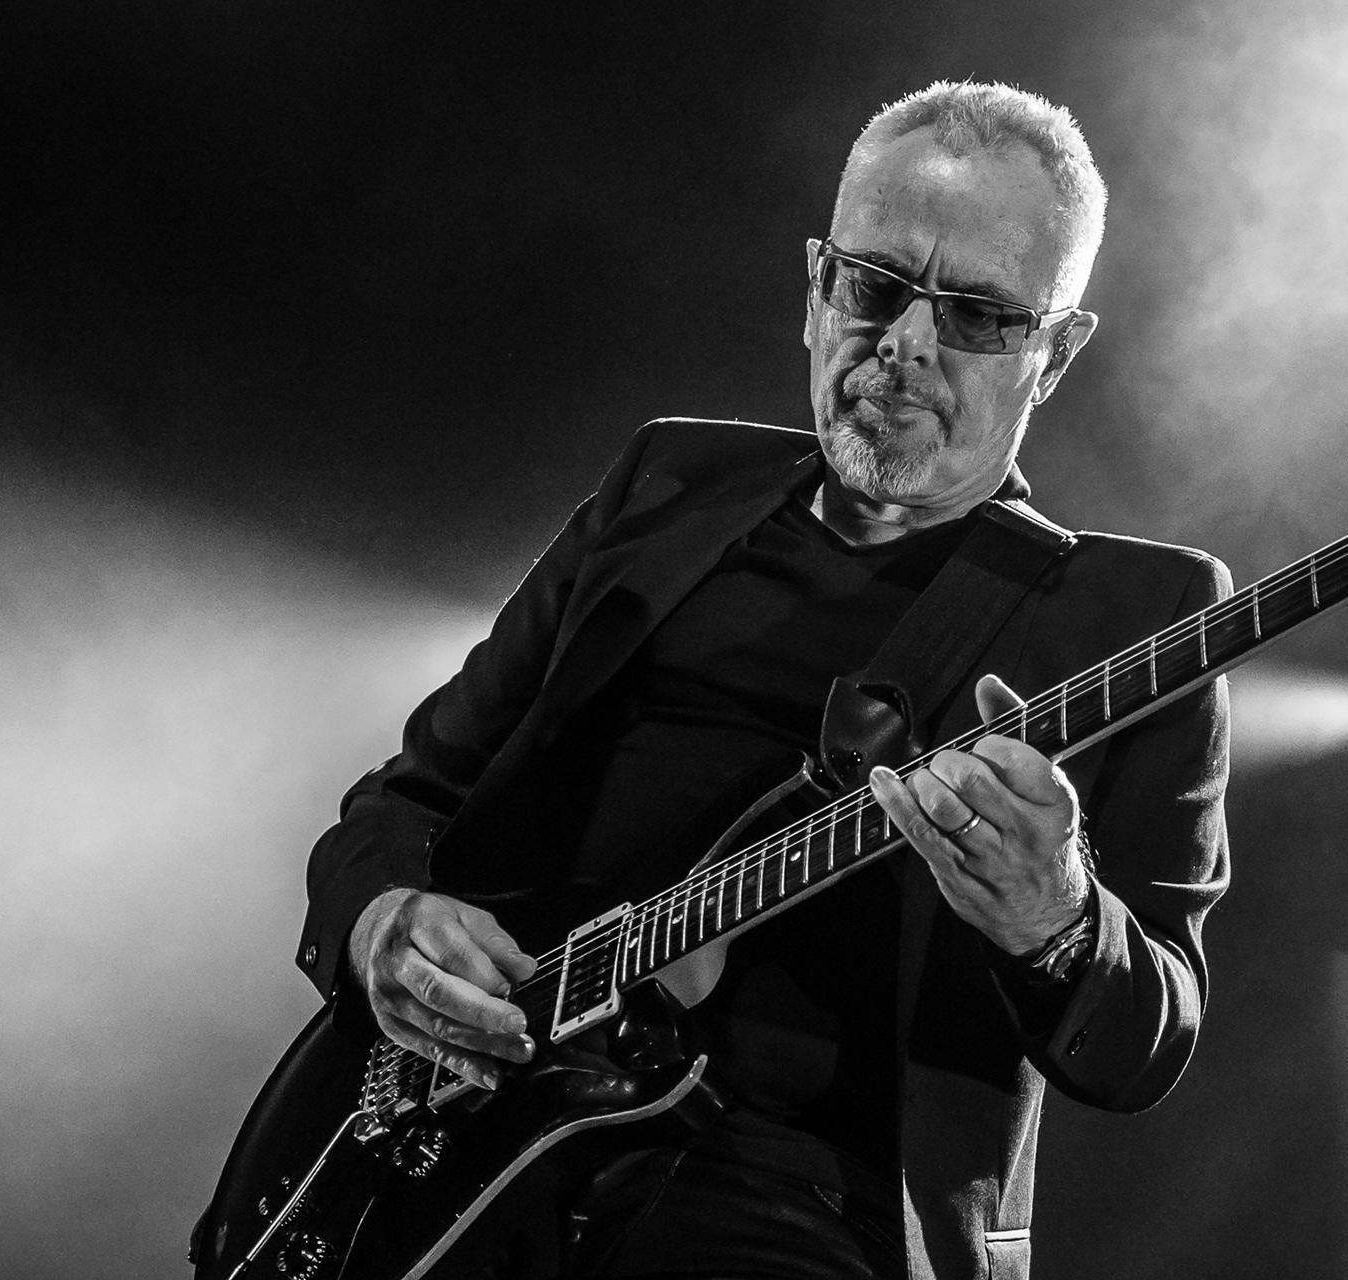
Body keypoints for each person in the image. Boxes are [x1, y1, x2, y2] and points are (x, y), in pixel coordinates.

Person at [294, 81, 1231, 1280]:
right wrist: (380, 919)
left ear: (1053, 355)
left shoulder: (1136, 617)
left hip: (810, 1210)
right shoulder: (669, 482)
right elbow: (407, 799)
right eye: (874, 286)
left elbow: (1148, 1044)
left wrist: (1058, 920)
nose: (906, 344)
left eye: (979, 315)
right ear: (814, 288)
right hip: (479, 1145)